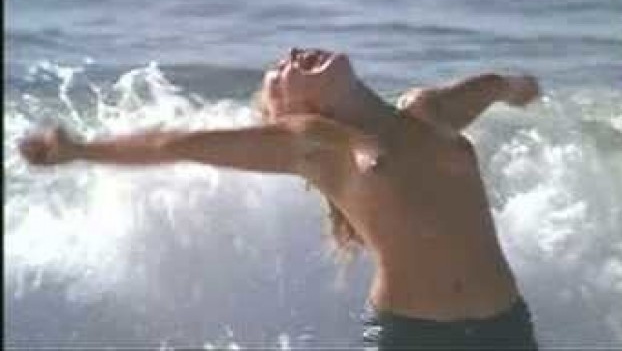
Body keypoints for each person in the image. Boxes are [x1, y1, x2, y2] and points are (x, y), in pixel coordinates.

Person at [20, 48, 540, 350]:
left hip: (506, 325)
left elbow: (492, 86)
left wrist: (515, 86)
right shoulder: (313, 145)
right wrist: (80, 149)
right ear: (288, 111)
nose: (292, 55)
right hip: (411, 337)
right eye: (279, 71)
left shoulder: (426, 110)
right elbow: (175, 144)